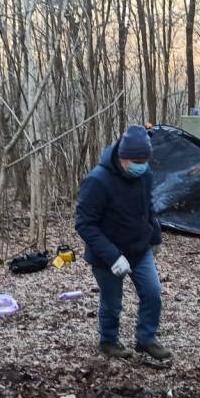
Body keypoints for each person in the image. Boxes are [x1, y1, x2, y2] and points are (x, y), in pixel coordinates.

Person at [75, 125, 172, 362]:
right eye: (136, 161)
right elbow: (85, 224)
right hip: (106, 255)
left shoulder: (144, 175)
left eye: (145, 160)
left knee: (153, 292)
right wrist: (112, 256)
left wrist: (155, 236)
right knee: (112, 302)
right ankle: (109, 340)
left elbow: (147, 207)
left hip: (139, 249)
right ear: (122, 157)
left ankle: (146, 339)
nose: (141, 165)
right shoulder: (98, 180)